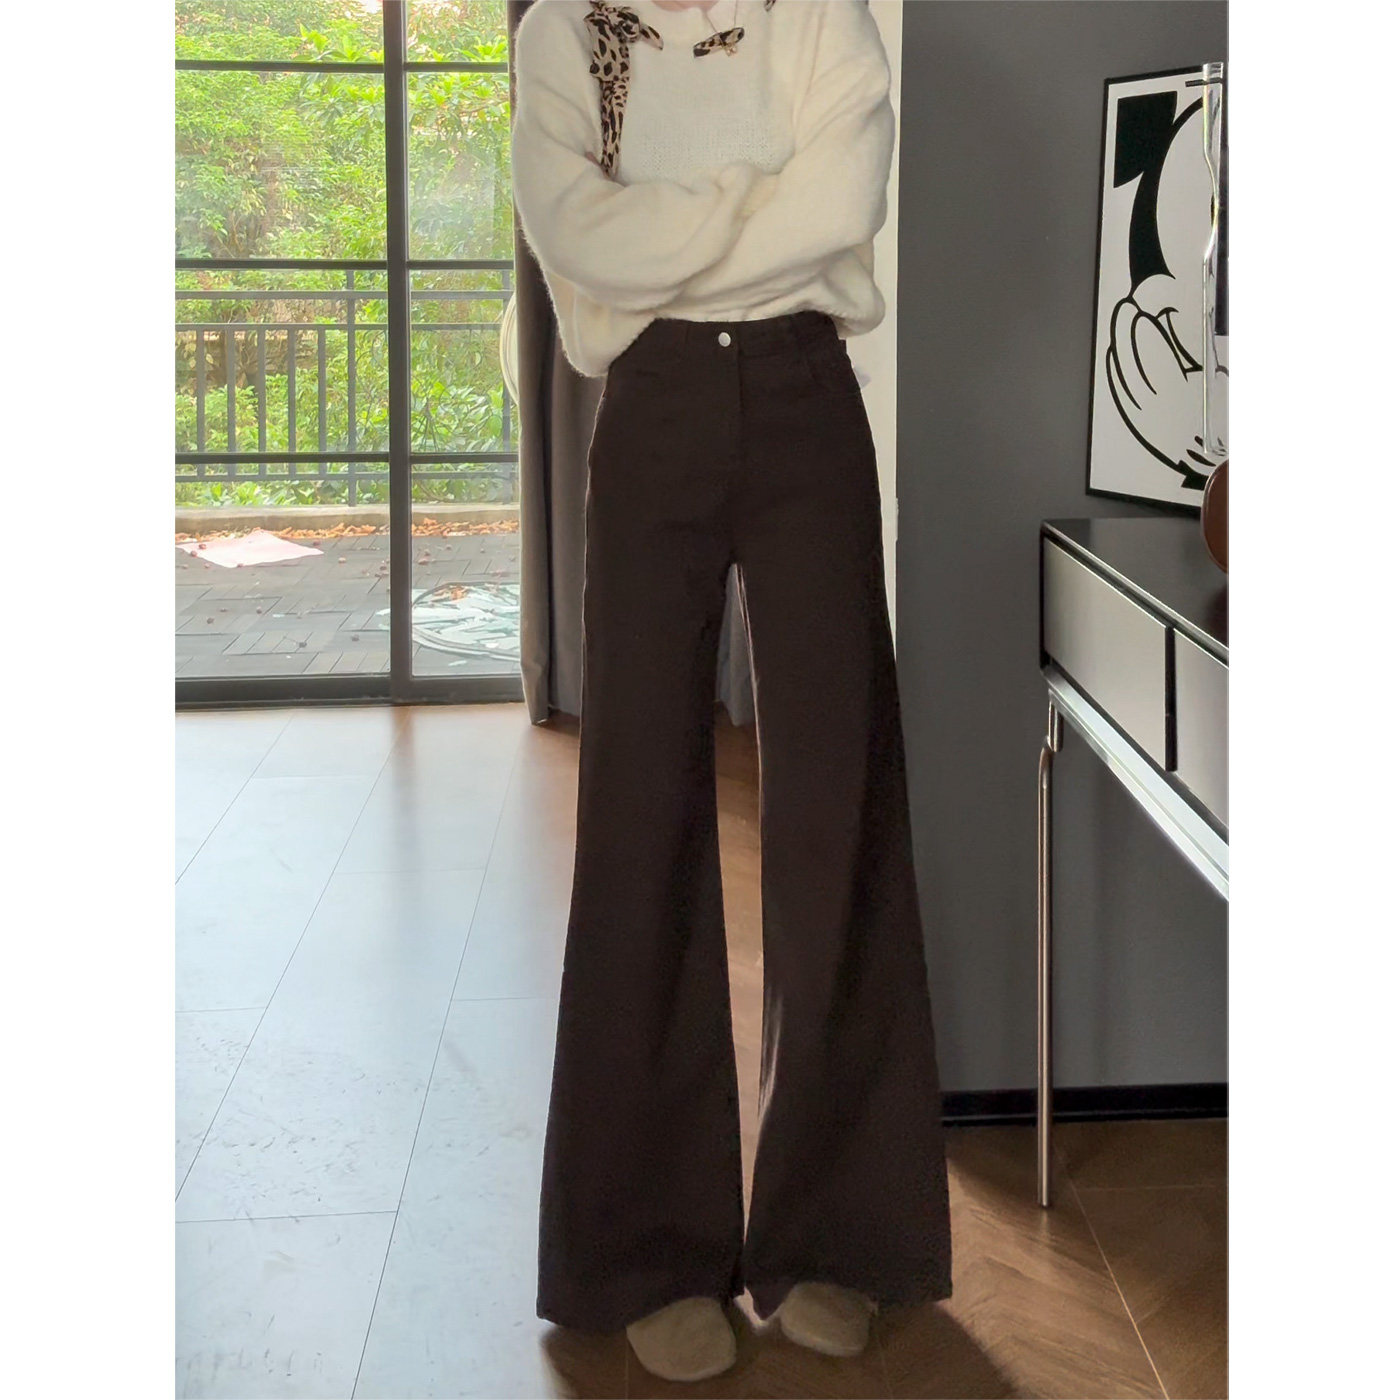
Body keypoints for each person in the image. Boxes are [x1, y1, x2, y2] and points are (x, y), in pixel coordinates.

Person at [510, 0, 953, 1382]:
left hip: (809, 398)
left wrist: (676, 235)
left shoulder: (817, 15)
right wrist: (756, 209)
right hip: (650, 410)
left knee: (838, 798)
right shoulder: (569, 31)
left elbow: (844, 198)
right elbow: (573, 229)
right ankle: (645, 1250)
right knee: (639, 809)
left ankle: (840, 1237)